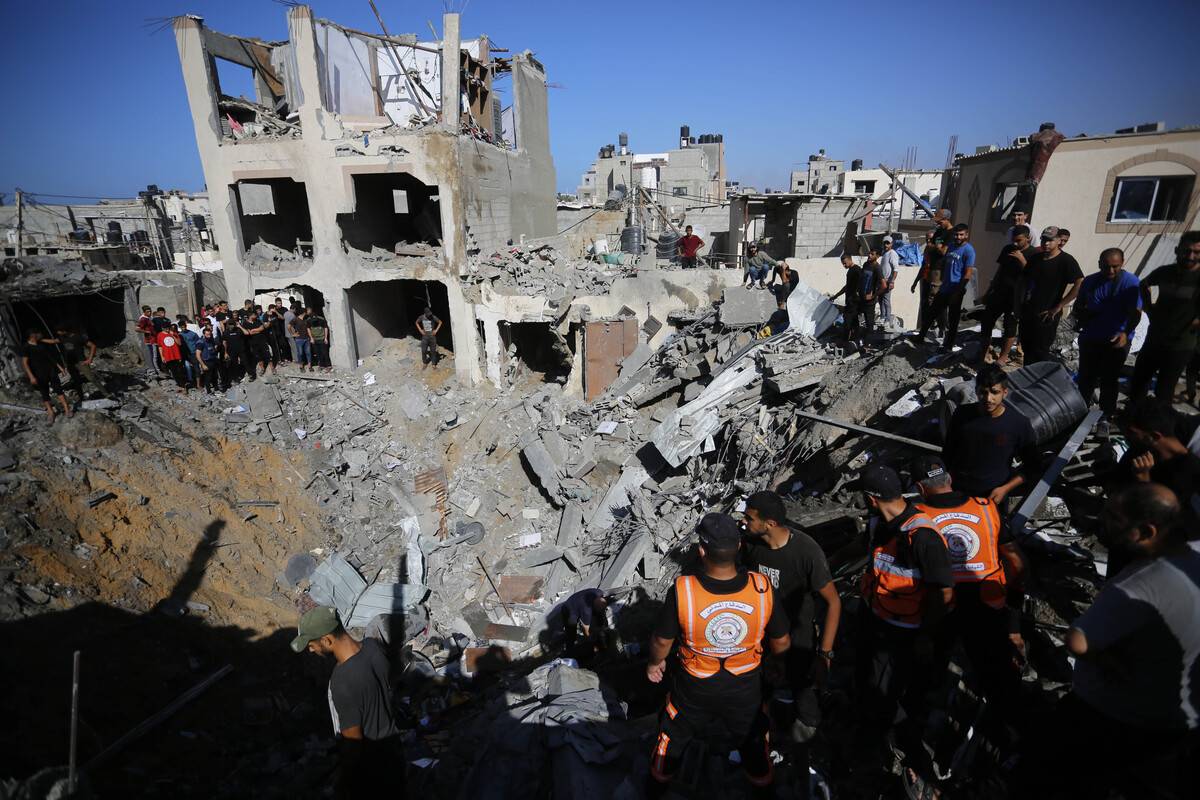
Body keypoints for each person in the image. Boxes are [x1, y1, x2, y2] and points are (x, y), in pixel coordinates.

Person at [1015, 483, 1200, 799]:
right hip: (1177, 718)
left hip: (1114, 714)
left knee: (1047, 776)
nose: (1102, 519)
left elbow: (1078, 641)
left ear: (1145, 531)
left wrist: (1111, 663)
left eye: (1114, 517)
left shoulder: (1136, 585)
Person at [646, 513, 790, 798]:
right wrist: (776, 663)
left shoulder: (683, 590)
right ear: (738, 548)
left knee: (672, 737)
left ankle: (654, 787)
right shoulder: (761, 588)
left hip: (694, 685)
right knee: (752, 740)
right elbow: (782, 639)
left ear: (701, 551)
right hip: (745, 684)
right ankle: (764, 789)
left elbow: (662, 640)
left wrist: (654, 663)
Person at [741, 491, 841, 796]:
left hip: (798, 644)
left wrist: (824, 654)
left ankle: (808, 749)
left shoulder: (806, 552)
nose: (744, 523)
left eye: (750, 518)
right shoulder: (753, 546)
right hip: (762, 641)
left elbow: (833, 603)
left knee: (804, 701)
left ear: (770, 523)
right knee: (764, 694)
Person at [855, 465, 953, 764]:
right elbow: (860, 551)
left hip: (906, 629)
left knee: (890, 687)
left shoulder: (922, 537)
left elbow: (944, 593)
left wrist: (926, 635)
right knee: (871, 678)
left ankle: (893, 742)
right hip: (876, 616)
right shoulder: (878, 525)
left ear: (872, 498)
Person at [911, 455, 1028, 703]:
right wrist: (1014, 616)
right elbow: (1017, 563)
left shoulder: (917, 517)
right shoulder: (985, 507)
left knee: (931, 667)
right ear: (950, 478)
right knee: (999, 678)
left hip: (941, 609)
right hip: (989, 604)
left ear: (920, 488)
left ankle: (925, 707)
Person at [291, 606, 404, 799]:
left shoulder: (342, 681)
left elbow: (353, 742)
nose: (310, 650)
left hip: (372, 770)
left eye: (311, 645)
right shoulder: (372, 646)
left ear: (327, 640)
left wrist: (342, 780)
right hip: (394, 751)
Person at [943, 365, 1038, 502]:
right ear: (976, 391)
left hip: (992, 496)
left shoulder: (1018, 423)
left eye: (995, 392)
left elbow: (1033, 466)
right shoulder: (962, 414)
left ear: (1005, 392)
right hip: (958, 491)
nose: (988, 398)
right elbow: (948, 453)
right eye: (983, 392)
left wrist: (1005, 489)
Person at [1130, 231, 1200, 403]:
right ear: (1177, 250)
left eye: (1197, 252)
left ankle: (1154, 426)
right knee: (1139, 382)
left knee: (1164, 390)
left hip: (1180, 345)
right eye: (1186, 251)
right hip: (1155, 339)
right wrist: (1148, 307)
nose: (1190, 256)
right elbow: (1144, 284)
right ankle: (1132, 418)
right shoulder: (1164, 272)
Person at [1075, 247, 1141, 415]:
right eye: (1106, 267)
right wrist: (1083, 319)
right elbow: (1079, 306)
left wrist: (1125, 333)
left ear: (1122, 264)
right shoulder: (1090, 282)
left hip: (1116, 339)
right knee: (1085, 378)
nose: (1110, 271)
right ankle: (1081, 412)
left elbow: (1135, 314)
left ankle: (1105, 416)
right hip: (1091, 337)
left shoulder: (1130, 283)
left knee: (1109, 380)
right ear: (1099, 264)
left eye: (1115, 266)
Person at [1121, 399, 1200, 524]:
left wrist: (1143, 480)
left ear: (1154, 436)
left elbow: (1156, 517)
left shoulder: (1189, 470)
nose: (1126, 436)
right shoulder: (1145, 452)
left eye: (1131, 433)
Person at [1016, 225, 1083, 364]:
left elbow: (1079, 282)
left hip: (1046, 315)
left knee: (1040, 351)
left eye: (1050, 240)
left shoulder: (1066, 261)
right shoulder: (1036, 259)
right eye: (1044, 240)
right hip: (1028, 312)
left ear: (1059, 241)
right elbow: (1024, 281)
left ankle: (1038, 382)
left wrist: (1059, 306)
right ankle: (1026, 380)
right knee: (1027, 349)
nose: (1046, 243)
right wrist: (1018, 305)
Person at [977, 225, 1032, 366]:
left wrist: (1022, 260)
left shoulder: (1033, 254)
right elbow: (1000, 271)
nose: (1015, 243)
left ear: (1028, 238)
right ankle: (983, 353)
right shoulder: (1008, 249)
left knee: (1010, 326)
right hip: (1000, 292)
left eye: (1019, 240)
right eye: (1014, 240)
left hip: (1016, 297)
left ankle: (1003, 357)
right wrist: (989, 291)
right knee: (987, 320)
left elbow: (1032, 276)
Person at [916, 223, 975, 351]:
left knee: (953, 319)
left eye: (961, 235)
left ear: (966, 235)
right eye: (956, 234)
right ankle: (920, 337)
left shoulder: (968, 250)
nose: (958, 237)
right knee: (932, 312)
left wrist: (959, 290)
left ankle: (948, 345)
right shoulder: (951, 247)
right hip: (944, 287)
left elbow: (968, 273)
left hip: (956, 289)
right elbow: (944, 262)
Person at [20, 329, 72, 423]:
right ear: (32, 335)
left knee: (58, 389)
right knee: (44, 393)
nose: (39, 335)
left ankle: (67, 409)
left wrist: (60, 367)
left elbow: (49, 356)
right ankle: (51, 413)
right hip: (39, 373)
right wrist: (31, 376)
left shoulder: (41, 343)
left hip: (50, 370)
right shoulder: (26, 347)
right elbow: (25, 363)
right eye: (37, 333)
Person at [56, 326, 111, 399]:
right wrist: (39, 340)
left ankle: (106, 393)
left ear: (64, 331)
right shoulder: (62, 338)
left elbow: (93, 346)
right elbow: (53, 341)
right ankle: (81, 397)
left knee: (91, 378)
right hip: (71, 363)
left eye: (59, 331)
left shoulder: (78, 337)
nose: (57, 333)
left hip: (81, 361)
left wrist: (90, 359)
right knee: (76, 381)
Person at [833, 253, 874, 349]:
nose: (844, 265)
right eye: (842, 264)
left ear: (850, 260)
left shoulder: (857, 270)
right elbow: (847, 286)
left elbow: (863, 283)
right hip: (851, 301)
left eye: (845, 263)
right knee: (854, 323)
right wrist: (836, 295)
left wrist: (858, 295)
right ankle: (855, 341)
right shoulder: (851, 270)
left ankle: (843, 342)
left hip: (854, 302)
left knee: (847, 322)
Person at [912, 232, 948, 337]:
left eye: (930, 240)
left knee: (937, 306)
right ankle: (926, 329)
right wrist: (915, 282)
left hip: (936, 282)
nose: (928, 242)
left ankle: (941, 328)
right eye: (926, 240)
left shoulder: (938, 252)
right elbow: (923, 267)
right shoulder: (927, 250)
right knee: (925, 306)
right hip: (926, 280)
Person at [241, 309, 273, 378]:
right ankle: (262, 369)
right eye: (254, 315)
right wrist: (257, 330)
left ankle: (272, 368)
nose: (256, 316)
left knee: (267, 354)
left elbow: (262, 328)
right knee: (258, 356)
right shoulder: (245, 323)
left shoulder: (258, 320)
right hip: (253, 342)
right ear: (250, 316)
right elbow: (249, 333)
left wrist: (255, 330)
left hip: (262, 340)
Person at [156, 324, 188, 391]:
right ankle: (180, 385)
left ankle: (183, 385)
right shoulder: (159, 335)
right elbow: (160, 347)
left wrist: (173, 335)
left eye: (168, 328)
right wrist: (162, 357)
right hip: (168, 356)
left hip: (176, 355)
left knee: (180, 370)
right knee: (174, 372)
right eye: (165, 328)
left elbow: (179, 343)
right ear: (162, 328)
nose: (167, 329)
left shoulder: (174, 333)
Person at [878, 236, 900, 324]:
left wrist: (892, 281)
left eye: (888, 243)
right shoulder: (885, 254)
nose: (886, 245)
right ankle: (883, 316)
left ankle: (887, 318)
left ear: (891, 244)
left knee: (886, 300)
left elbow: (896, 269)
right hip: (882, 281)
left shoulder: (892, 253)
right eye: (885, 243)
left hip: (888, 281)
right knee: (881, 299)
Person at [196, 326, 222, 394]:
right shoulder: (200, 342)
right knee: (208, 377)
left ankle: (216, 388)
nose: (209, 336)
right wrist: (203, 365)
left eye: (210, 334)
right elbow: (198, 355)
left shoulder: (211, 340)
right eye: (207, 334)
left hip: (213, 360)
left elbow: (213, 349)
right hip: (206, 361)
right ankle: (208, 391)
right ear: (204, 334)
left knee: (215, 376)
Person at [136, 305, 159, 373]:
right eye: (148, 312)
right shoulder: (143, 319)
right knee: (154, 356)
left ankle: (156, 369)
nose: (149, 313)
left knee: (155, 355)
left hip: (154, 339)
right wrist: (146, 331)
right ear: (144, 312)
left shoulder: (149, 318)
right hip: (150, 340)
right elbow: (137, 329)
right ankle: (157, 370)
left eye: (150, 311)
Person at [291, 306, 312, 372]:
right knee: (300, 353)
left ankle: (309, 366)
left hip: (306, 338)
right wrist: (293, 333)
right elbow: (289, 326)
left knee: (308, 352)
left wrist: (310, 337)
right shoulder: (295, 319)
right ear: (303, 312)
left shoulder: (306, 319)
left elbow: (308, 328)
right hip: (299, 339)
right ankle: (301, 366)